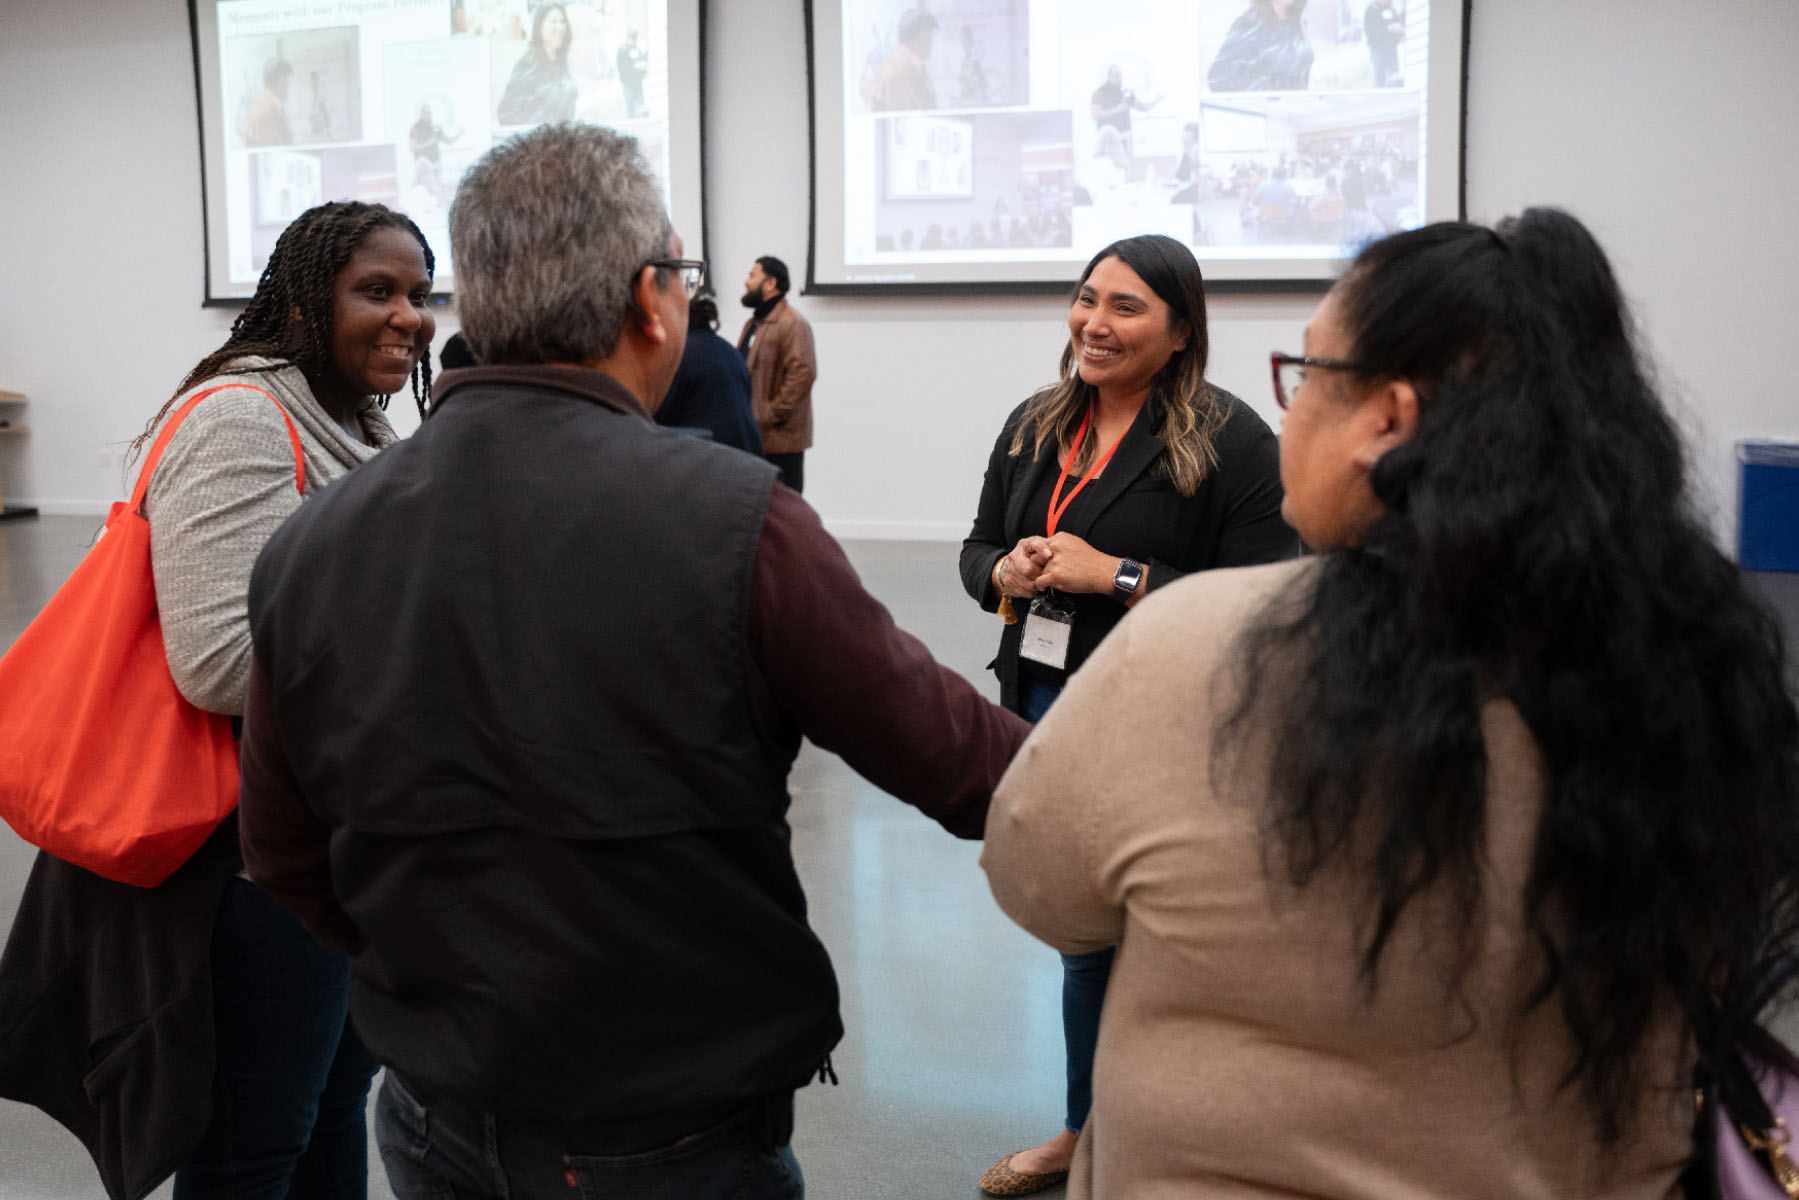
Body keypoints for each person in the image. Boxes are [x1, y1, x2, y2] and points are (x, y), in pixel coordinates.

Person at [234, 123, 1030, 1200]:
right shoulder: (738, 522)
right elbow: (976, 771)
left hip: (430, 1115)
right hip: (669, 1132)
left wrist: (440, 987)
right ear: (651, 302)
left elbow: (284, 857)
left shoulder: (312, 542)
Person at [980, 208, 1799, 1198]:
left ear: (1387, 420)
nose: (1093, 322)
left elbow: (1039, 888)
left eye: (1310, 379)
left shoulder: (1191, 648)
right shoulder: (1699, 677)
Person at [0, 200, 434, 1200]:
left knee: (327, 1108)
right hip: (242, 864)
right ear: (303, 298)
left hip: (334, 845)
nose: (407, 315)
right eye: (376, 291)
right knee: (251, 1142)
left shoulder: (353, 418)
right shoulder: (242, 416)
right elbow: (220, 661)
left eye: (418, 293)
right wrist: (418, 664)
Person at [960, 234, 1295, 1196]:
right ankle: (1090, 1131)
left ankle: (1139, 1137)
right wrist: (1005, 571)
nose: (1094, 324)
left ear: (1181, 328)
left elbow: (1264, 604)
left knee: (1144, 936)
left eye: (1126, 307)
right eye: (1085, 299)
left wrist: (1120, 575)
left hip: (1165, 722)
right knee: (1084, 931)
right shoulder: (1035, 424)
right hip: (1039, 700)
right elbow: (976, 545)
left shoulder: (1232, 443)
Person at [737, 254, 816, 493]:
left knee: (786, 514)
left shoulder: (792, 322)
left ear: (770, 283)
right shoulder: (753, 324)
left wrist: (771, 414)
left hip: (781, 441)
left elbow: (803, 373)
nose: (746, 282)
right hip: (755, 437)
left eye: (752, 275)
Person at [657, 289, 764, 454]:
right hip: (748, 453)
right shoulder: (730, 351)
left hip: (709, 456)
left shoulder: (680, 353)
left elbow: (661, 415)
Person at [496, 2, 576, 126]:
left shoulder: (563, 63)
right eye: (553, 22)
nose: (560, 27)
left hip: (565, 140)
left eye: (562, 21)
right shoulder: (528, 65)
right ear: (539, 27)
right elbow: (505, 114)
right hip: (541, 142)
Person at [1207, 0, 1314, 93]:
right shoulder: (1249, 24)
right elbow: (1218, 78)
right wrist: (1265, 93)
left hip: (1294, 111)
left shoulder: (1299, 26)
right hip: (1258, 111)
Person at [1089, 65, 1159, 171]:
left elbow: (1143, 108)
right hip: (1109, 139)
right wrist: (1116, 110)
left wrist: (1156, 101)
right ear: (1109, 77)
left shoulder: (1126, 92)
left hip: (1125, 137)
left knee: (1126, 169)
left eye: (1120, 76)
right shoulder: (1099, 93)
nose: (1119, 78)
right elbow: (1095, 115)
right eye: (1116, 76)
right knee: (1109, 169)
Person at [868, 9, 938, 111]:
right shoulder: (901, 69)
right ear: (922, 35)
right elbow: (904, 119)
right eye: (931, 34)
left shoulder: (905, 64)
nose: (932, 40)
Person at [241, 58, 294, 146]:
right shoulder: (268, 110)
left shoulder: (268, 104)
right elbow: (277, 147)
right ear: (280, 81)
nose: (288, 85)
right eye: (286, 80)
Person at [1364, 1, 1405, 86]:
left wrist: (1399, 31)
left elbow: (1398, 22)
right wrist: (1387, 29)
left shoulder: (1391, 10)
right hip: (1378, 50)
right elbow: (1371, 31)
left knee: (1394, 76)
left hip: (1391, 49)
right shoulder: (1372, 10)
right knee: (1379, 76)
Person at [617, 27, 648, 117]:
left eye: (635, 38)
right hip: (628, 84)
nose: (635, 40)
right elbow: (622, 68)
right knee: (630, 109)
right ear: (628, 37)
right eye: (633, 37)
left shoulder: (637, 50)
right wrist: (635, 67)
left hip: (638, 83)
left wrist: (643, 67)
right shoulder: (622, 50)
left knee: (642, 108)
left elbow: (642, 61)